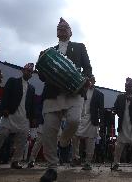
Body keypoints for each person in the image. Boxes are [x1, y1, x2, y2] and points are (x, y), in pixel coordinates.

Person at [39, 17, 92, 182]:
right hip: (52, 94)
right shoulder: (49, 51)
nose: (61, 29)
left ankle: (64, 141)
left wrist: (87, 78)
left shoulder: (79, 47)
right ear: (56, 33)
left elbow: (88, 67)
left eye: (65, 27)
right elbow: (41, 76)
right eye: (59, 28)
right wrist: (40, 62)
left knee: (75, 121)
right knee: (49, 131)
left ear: (71, 32)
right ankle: (52, 168)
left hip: (74, 91)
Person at [0, 63, 35, 169]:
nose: (29, 73)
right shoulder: (12, 81)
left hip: (24, 118)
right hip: (10, 115)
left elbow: (32, 105)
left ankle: (16, 161)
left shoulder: (32, 88)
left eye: (31, 72)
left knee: (22, 140)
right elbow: (5, 95)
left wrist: (32, 118)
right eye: (27, 70)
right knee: (1, 135)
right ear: (23, 70)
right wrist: (4, 108)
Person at [111, 78, 132, 172]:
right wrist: (113, 111)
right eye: (126, 86)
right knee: (118, 147)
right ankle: (116, 163)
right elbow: (115, 108)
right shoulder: (120, 97)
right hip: (123, 126)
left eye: (129, 86)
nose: (128, 88)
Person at [72, 76, 104, 170]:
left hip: (92, 119)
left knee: (90, 141)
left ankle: (88, 162)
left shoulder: (99, 94)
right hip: (79, 117)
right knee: (74, 137)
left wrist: (101, 122)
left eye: (92, 80)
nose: (90, 81)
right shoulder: (79, 90)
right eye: (89, 79)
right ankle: (76, 158)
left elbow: (101, 109)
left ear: (94, 81)